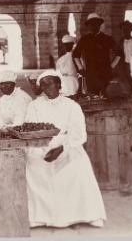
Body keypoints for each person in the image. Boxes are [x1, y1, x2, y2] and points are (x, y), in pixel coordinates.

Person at [25, 69, 106, 228]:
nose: (47, 87)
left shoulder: (72, 106)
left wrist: (62, 148)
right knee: (34, 166)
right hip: (41, 145)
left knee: (78, 167)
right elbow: (30, 130)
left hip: (67, 144)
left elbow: (79, 134)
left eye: (50, 83)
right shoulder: (34, 105)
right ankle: (39, 217)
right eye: (43, 85)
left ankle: (88, 214)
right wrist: (42, 149)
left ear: (59, 84)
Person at [73, 13, 122, 95]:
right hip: (91, 73)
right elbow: (75, 55)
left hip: (105, 73)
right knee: (93, 96)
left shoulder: (107, 38)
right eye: (91, 24)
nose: (94, 26)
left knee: (106, 96)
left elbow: (119, 53)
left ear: (100, 25)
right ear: (88, 26)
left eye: (96, 24)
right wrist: (81, 68)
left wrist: (111, 66)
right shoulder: (85, 39)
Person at [119, 20, 132, 95]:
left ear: (130, 30)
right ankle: (130, 95)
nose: (125, 31)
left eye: (127, 29)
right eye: (124, 30)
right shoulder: (120, 42)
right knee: (126, 81)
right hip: (124, 65)